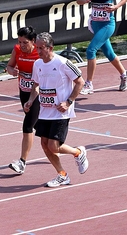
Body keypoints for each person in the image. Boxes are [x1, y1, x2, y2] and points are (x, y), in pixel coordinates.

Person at [24, 32, 89, 188]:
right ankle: (62, 175)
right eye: (36, 47)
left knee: (54, 146)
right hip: (45, 112)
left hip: (61, 111)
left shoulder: (63, 63)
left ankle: (78, 153)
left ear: (50, 47)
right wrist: (31, 100)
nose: (38, 51)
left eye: (41, 48)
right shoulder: (37, 64)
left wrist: (69, 102)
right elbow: (36, 85)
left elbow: (80, 82)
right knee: (45, 145)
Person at [76, 0, 127, 95]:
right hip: (95, 24)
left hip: (107, 25)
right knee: (108, 53)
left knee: (90, 50)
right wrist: (85, 0)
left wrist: (116, 7)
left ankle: (89, 83)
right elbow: (78, 0)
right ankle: (125, 74)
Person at [6, 26, 40, 174]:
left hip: (38, 94)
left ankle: (22, 162)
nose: (22, 45)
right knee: (41, 128)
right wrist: (12, 71)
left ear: (33, 41)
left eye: (25, 42)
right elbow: (9, 66)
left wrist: (32, 99)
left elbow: (40, 81)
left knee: (27, 127)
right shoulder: (17, 50)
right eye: (20, 42)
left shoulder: (39, 53)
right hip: (23, 92)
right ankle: (73, 151)